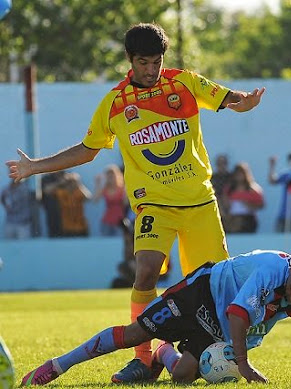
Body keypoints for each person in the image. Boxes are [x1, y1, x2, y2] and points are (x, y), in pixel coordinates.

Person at [5, 23, 265, 383]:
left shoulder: (185, 84)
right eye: (143, 62)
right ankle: (144, 359)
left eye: (156, 61)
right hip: (154, 206)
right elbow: (88, 149)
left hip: (200, 204)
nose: (151, 69)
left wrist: (245, 103)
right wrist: (36, 166)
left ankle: (203, 353)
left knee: (213, 285)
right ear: (130, 60)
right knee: (145, 271)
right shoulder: (115, 103)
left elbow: (227, 98)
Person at [21, 249, 291, 386]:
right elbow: (238, 312)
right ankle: (58, 365)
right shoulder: (271, 270)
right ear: (290, 274)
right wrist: (243, 365)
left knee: (183, 377)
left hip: (223, 323)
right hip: (201, 292)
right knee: (134, 333)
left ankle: (163, 354)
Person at [43, 172, 92, 237]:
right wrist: (60, 182)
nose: (71, 185)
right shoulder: (61, 193)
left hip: (81, 227)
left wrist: (79, 184)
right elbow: (47, 190)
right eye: (69, 182)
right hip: (67, 227)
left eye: (72, 182)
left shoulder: (78, 193)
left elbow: (88, 198)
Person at [222, 162, 264, 233]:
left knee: (239, 221)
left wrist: (249, 205)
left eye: (241, 173)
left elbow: (261, 204)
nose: (239, 176)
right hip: (232, 218)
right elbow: (224, 203)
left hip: (248, 219)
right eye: (237, 174)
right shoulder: (229, 189)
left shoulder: (253, 189)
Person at [93, 164, 127, 236]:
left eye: (112, 175)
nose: (110, 177)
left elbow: (126, 203)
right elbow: (95, 200)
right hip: (107, 222)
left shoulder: (122, 188)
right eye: (108, 175)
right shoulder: (104, 189)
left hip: (120, 222)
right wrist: (98, 184)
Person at [210, 154, 232, 227]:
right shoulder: (212, 177)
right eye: (219, 163)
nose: (221, 165)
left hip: (230, 204)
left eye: (223, 163)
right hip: (217, 204)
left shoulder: (232, 177)